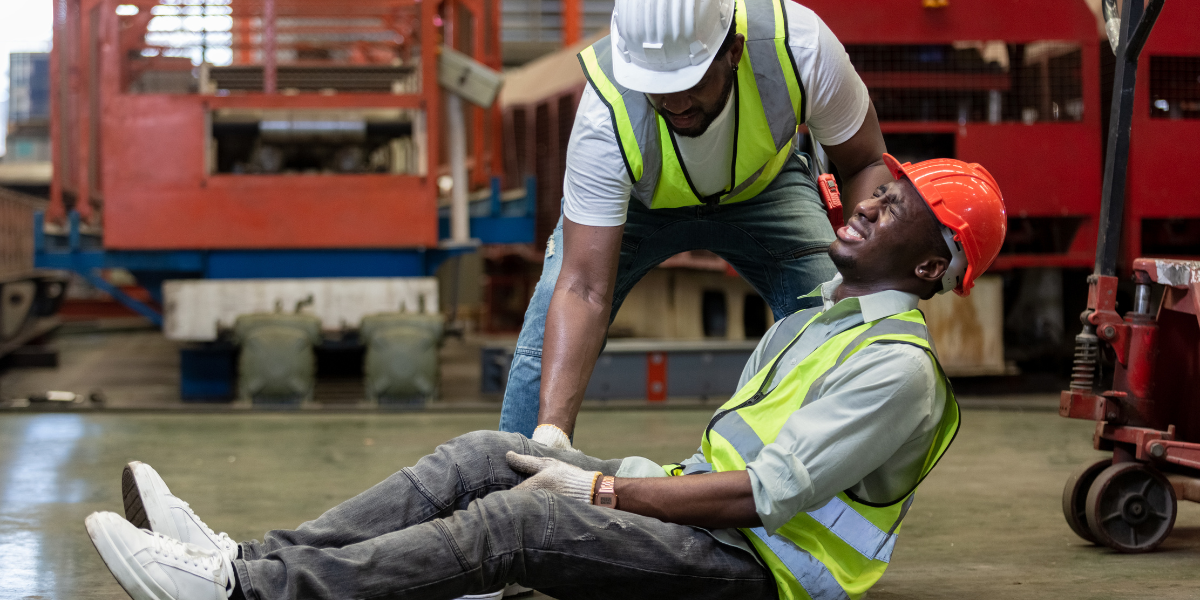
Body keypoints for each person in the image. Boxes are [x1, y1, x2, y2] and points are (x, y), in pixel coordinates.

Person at [84, 155, 1006, 600]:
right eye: (880, 191)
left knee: (521, 518)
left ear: (931, 269)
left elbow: (761, 498)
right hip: (716, 536)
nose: (864, 205)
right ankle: (246, 560)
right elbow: (722, 468)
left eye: (894, 210)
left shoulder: (896, 373)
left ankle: (249, 597)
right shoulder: (815, 326)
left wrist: (600, 488)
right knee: (492, 454)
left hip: (759, 577)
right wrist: (608, 477)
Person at [503, 0, 896, 452]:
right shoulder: (605, 113)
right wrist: (550, 437)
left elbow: (865, 161)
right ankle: (516, 486)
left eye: (690, 82)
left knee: (838, 314)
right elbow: (584, 289)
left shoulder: (799, 47)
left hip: (765, 188)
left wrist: (865, 274)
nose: (673, 102)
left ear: (734, 50)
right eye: (656, 85)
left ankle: (837, 474)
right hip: (638, 205)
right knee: (546, 334)